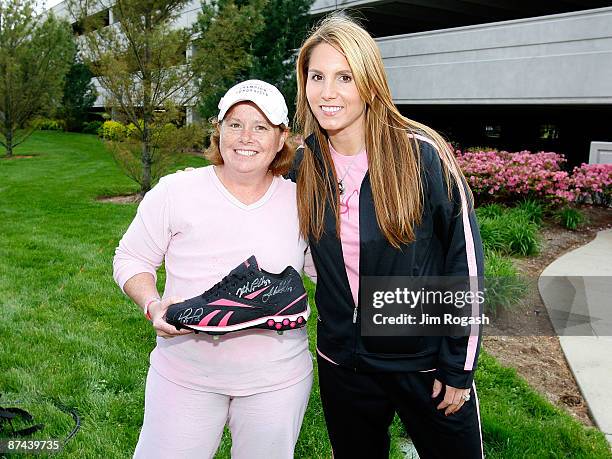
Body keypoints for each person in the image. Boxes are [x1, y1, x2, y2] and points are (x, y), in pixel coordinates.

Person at [290, 13, 485, 458]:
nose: (328, 92)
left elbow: (465, 262)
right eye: (317, 76)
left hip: (425, 362)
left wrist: (458, 367)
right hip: (344, 364)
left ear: (370, 81)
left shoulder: (422, 154)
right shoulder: (307, 164)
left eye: (345, 76)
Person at [113, 80, 313, 459]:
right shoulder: (176, 191)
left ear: (281, 137)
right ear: (218, 129)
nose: (245, 137)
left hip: (277, 380)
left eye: (261, 126)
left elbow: (329, 271)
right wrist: (152, 304)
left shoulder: (301, 201)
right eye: (235, 124)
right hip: (185, 375)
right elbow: (131, 258)